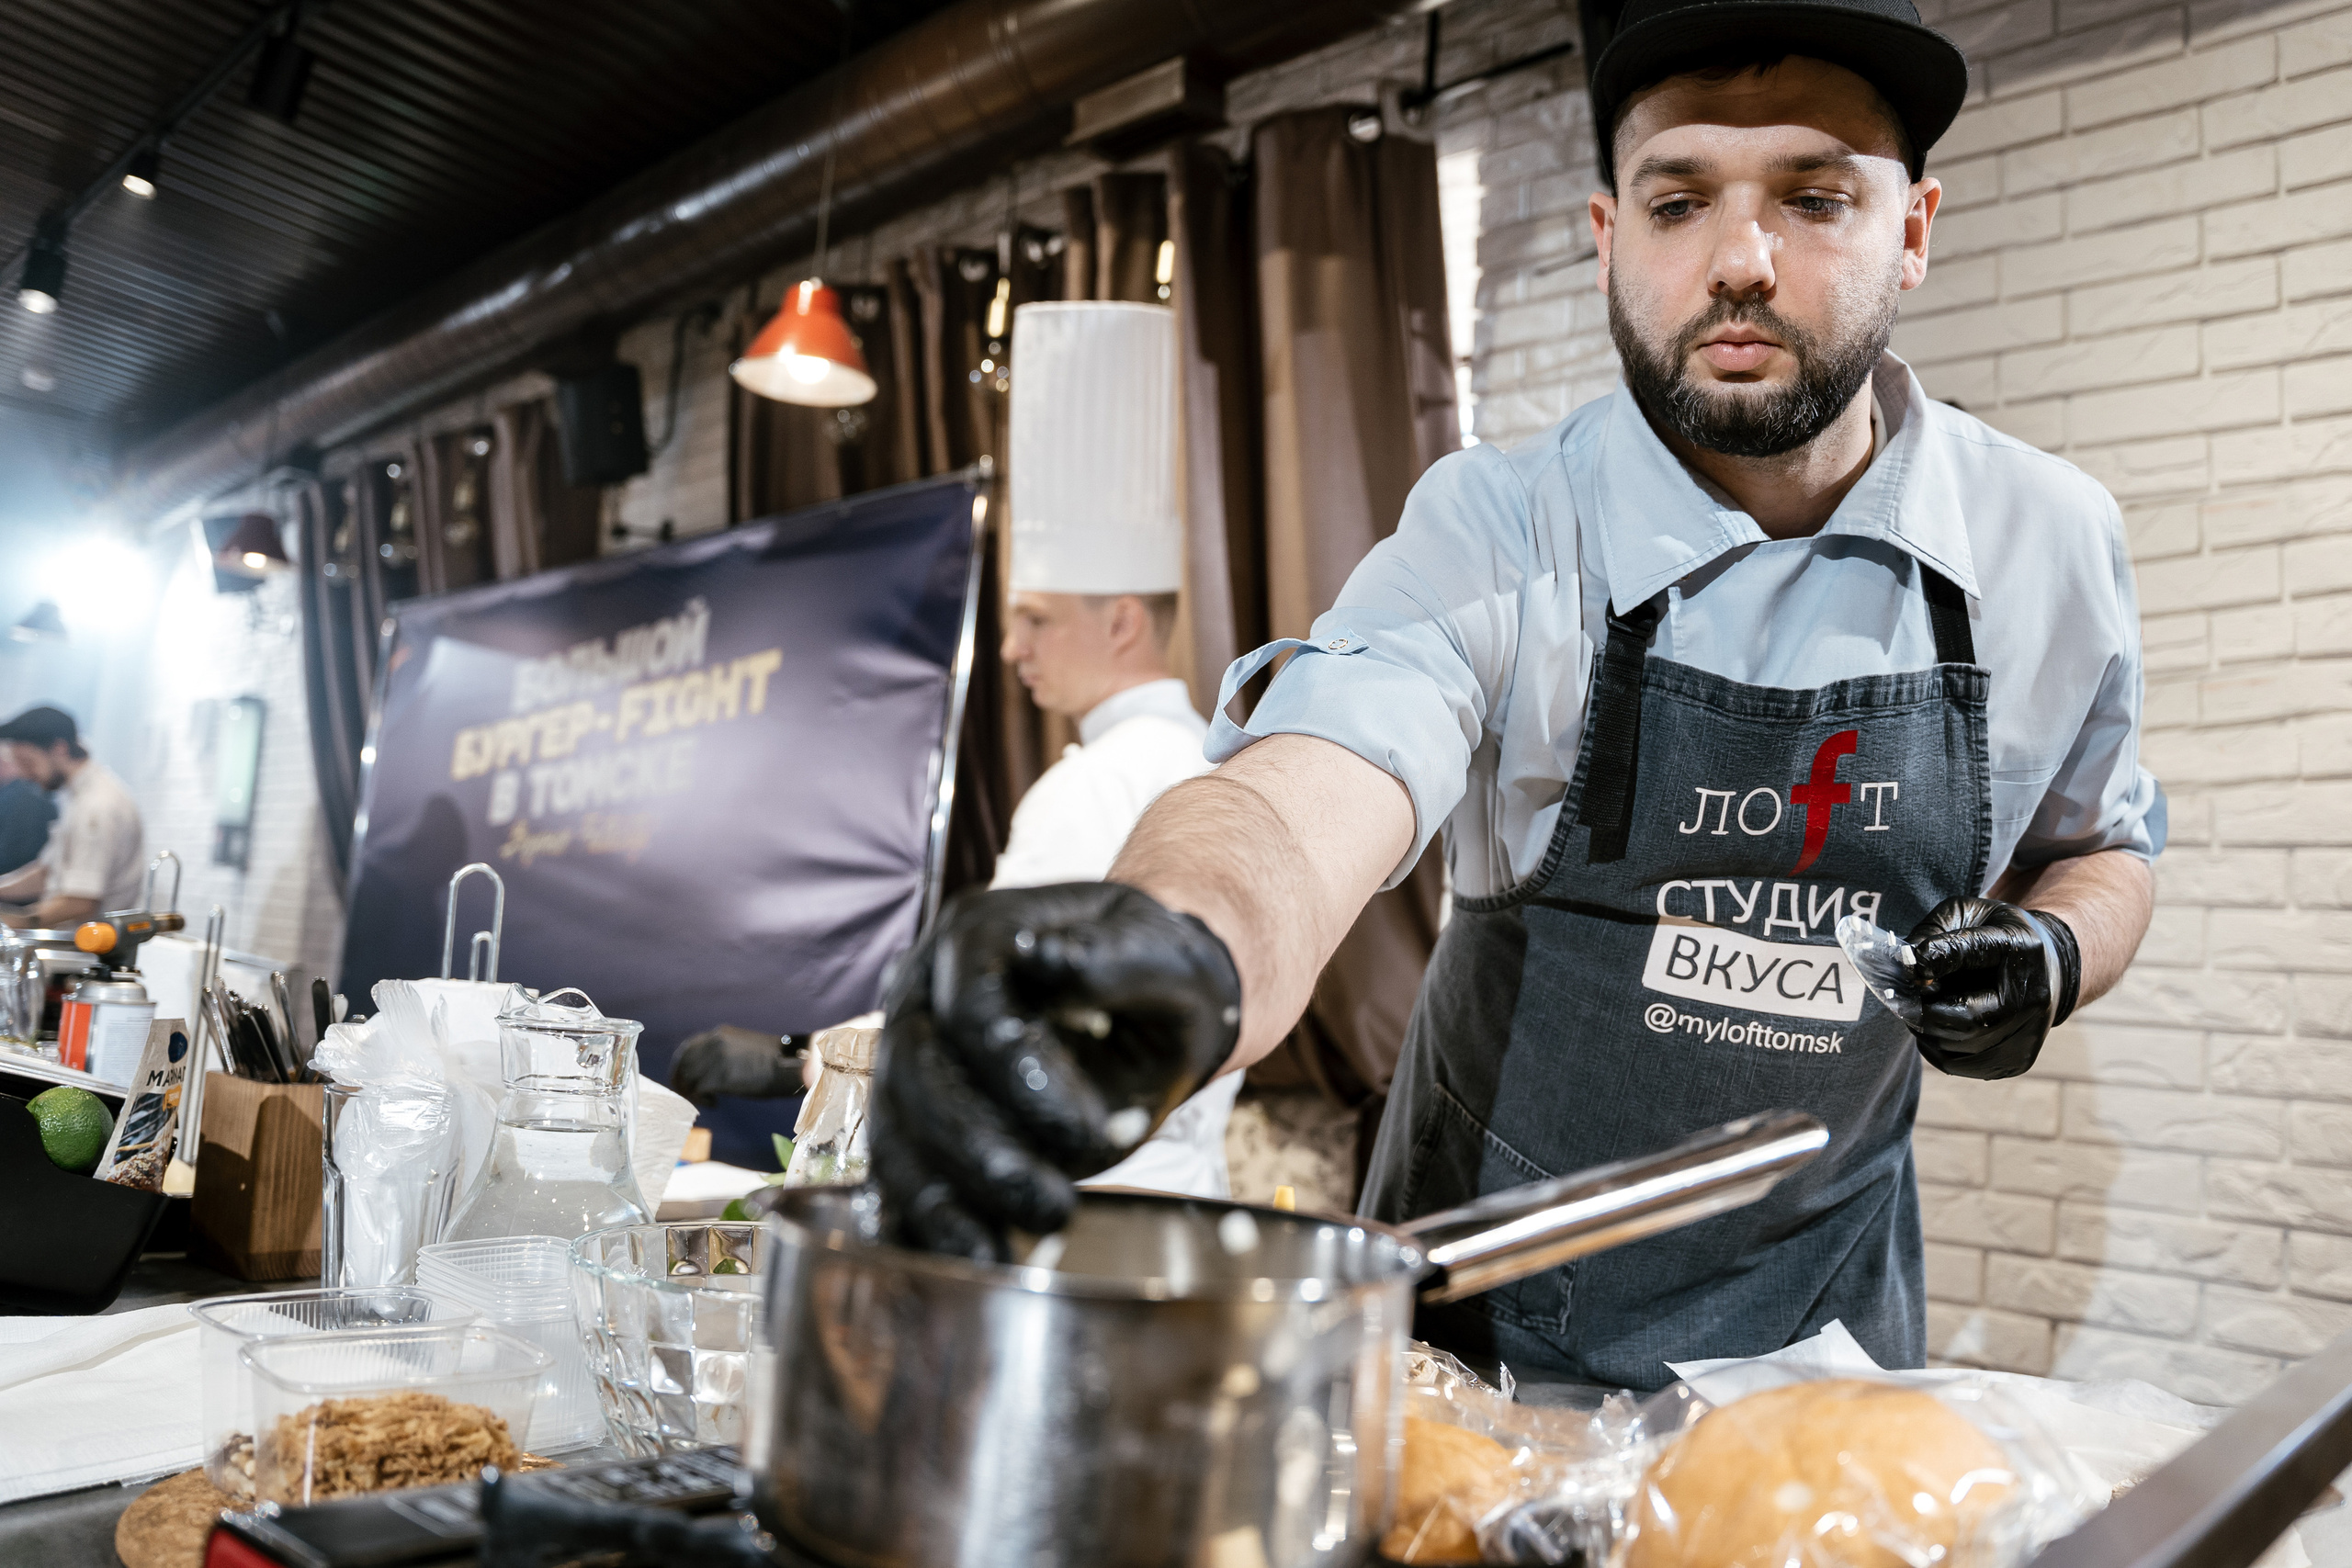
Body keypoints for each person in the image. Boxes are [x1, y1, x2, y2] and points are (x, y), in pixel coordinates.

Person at [865, 0, 2162, 1393]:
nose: (1741, 260)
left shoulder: (2050, 543)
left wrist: (2053, 952)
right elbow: (1300, 806)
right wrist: (1167, 947)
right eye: (1680, 200)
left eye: (1814, 195)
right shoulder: (1501, 527)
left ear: (1912, 229)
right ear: (1612, 237)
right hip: (1475, 1363)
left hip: (1822, 1370)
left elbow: (2100, 846)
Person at [676, 302, 1241, 1196]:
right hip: (1178, 1197)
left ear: (1124, 621)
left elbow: (980, 1019)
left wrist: (795, 1060)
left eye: (1036, 620)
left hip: (1072, 1201)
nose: (1013, 648)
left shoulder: (1098, 785)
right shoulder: (1219, 772)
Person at [0, 705, 146, 928]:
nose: (25, 775)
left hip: (88, 953)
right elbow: (49, 872)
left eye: (29, 762)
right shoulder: (78, 796)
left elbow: (80, 902)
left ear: (59, 748)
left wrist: (16, 922)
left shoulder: (97, 804)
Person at [0, 745, 57, 881]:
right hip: (23, 878)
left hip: (20, 882)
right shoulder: (35, 792)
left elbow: (12, 853)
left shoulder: (19, 796)